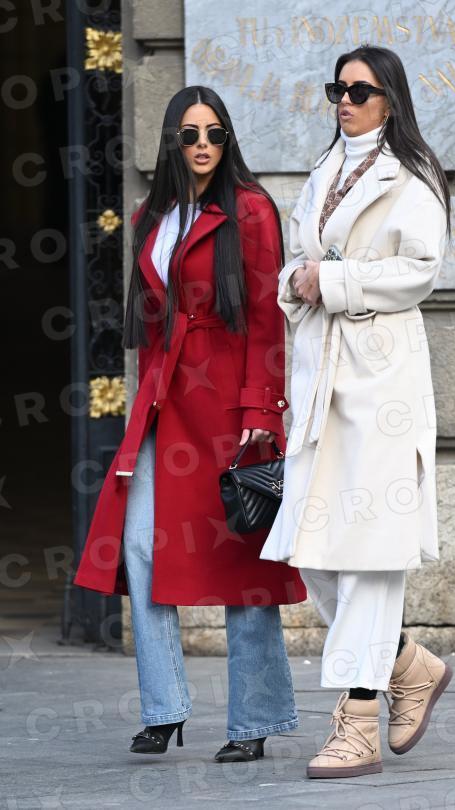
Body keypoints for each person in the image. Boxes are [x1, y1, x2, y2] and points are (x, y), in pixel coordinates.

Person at [73, 86, 306, 761]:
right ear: (171, 141)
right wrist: (144, 400)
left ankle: (253, 721)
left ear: (227, 141)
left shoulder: (251, 209)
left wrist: (261, 410)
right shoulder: (151, 214)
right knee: (140, 547)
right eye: (190, 134)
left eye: (214, 133)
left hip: (230, 408)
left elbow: (265, 318)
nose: (203, 145)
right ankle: (163, 709)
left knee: (241, 559)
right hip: (163, 403)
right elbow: (150, 324)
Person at [260, 45, 453, 778]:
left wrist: (334, 282)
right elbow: (297, 260)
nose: (344, 101)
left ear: (389, 100)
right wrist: (297, 280)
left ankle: (359, 720)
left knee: (370, 554)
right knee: (314, 550)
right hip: (320, 381)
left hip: (379, 383)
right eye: (336, 89)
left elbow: (420, 269)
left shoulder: (412, 174)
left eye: (359, 90)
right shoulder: (323, 170)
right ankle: (408, 664)